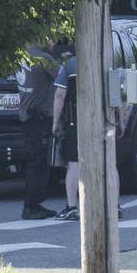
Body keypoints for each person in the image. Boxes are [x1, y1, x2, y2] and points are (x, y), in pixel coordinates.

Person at [51, 44, 123, 222]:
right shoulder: (108, 63)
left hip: (76, 120)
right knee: (109, 162)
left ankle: (72, 207)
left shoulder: (70, 64)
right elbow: (117, 96)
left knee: (74, 163)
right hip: (105, 120)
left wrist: (56, 122)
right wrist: (120, 122)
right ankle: (114, 206)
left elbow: (60, 94)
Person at [15, 45, 61, 221]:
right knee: (39, 161)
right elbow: (63, 77)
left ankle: (35, 203)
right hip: (40, 116)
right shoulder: (43, 60)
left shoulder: (20, 57)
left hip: (27, 115)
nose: (51, 41)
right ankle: (31, 205)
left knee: (34, 159)